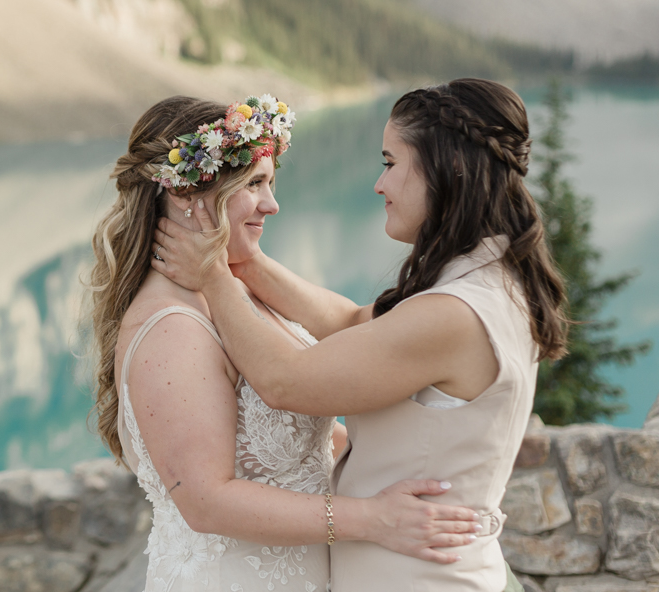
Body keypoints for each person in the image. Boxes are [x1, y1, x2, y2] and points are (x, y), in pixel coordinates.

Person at [151, 79, 567, 591]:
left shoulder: (456, 312)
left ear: (447, 167)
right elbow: (351, 325)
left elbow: (285, 382)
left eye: (390, 163)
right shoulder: (481, 281)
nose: (379, 184)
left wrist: (214, 278)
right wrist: (249, 264)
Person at [89, 95, 484, 592]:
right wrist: (373, 519)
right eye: (254, 184)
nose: (272, 204)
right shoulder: (171, 327)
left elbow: (301, 435)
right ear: (189, 194)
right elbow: (205, 500)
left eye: (270, 183)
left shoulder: (239, 297)